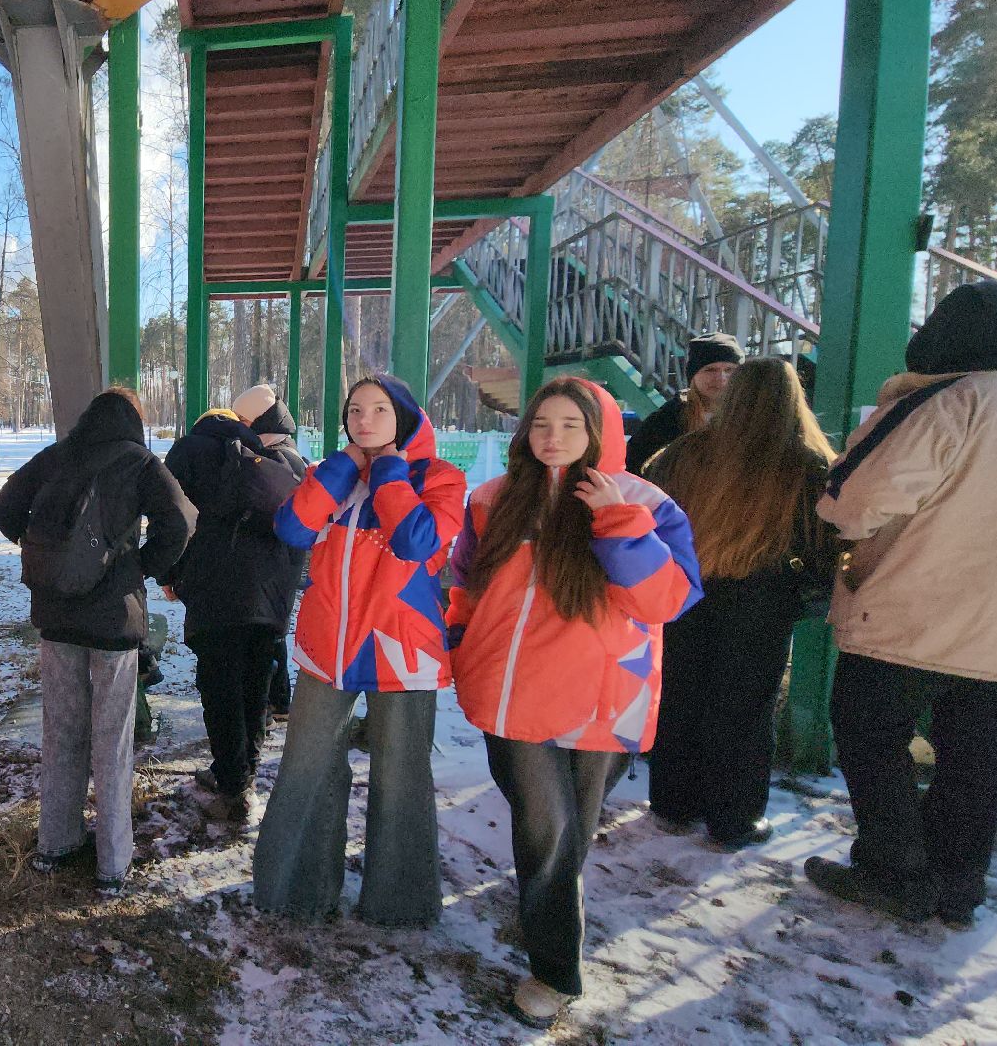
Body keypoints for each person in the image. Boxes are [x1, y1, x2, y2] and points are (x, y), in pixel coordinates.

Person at [448, 378, 700, 1025]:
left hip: (605, 695)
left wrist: (618, 522)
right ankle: (555, 969)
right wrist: (458, 641)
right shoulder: (493, 500)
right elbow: (464, 585)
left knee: (569, 837)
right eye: (541, 424)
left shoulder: (646, 503)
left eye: (569, 425)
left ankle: (547, 922)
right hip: (512, 690)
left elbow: (667, 599)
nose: (552, 437)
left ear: (600, 432)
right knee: (547, 828)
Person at [805, 280, 997, 929]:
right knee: (976, 746)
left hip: (916, 614)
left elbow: (854, 498)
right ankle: (960, 883)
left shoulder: (951, 398)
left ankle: (894, 870)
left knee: (866, 727)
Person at [252, 375, 466, 928]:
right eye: (354, 410)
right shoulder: (334, 474)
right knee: (308, 766)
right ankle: (296, 888)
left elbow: (417, 541)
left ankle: (400, 903)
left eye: (379, 410)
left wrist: (391, 472)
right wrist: (343, 470)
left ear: (406, 419)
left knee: (401, 775)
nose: (364, 420)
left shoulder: (440, 478)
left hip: (402, 648)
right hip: (328, 647)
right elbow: (294, 529)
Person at [0, 387, 193, 896]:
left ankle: (54, 844)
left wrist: (47, 556)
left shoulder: (57, 456)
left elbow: (3, 509)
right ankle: (112, 864)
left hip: (55, 619)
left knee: (61, 733)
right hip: (112, 626)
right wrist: (139, 568)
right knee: (113, 741)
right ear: (134, 422)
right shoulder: (140, 464)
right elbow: (182, 521)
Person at [644, 358, 837, 848]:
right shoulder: (809, 467)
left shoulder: (682, 454)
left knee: (681, 693)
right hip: (764, 601)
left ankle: (672, 800)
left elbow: (648, 518)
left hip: (685, 593)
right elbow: (827, 546)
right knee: (746, 707)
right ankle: (734, 818)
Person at [162, 384, 308, 821]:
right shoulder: (282, 462)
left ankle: (232, 785)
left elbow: (172, 519)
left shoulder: (190, 452)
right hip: (269, 596)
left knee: (220, 689)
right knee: (253, 687)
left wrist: (171, 574)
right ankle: (246, 776)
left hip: (214, 589)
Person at [624, 332, 744, 474]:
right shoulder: (670, 417)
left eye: (729, 370)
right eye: (710, 370)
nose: (721, 377)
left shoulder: (752, 415)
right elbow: (632, 462)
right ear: (693, 376)